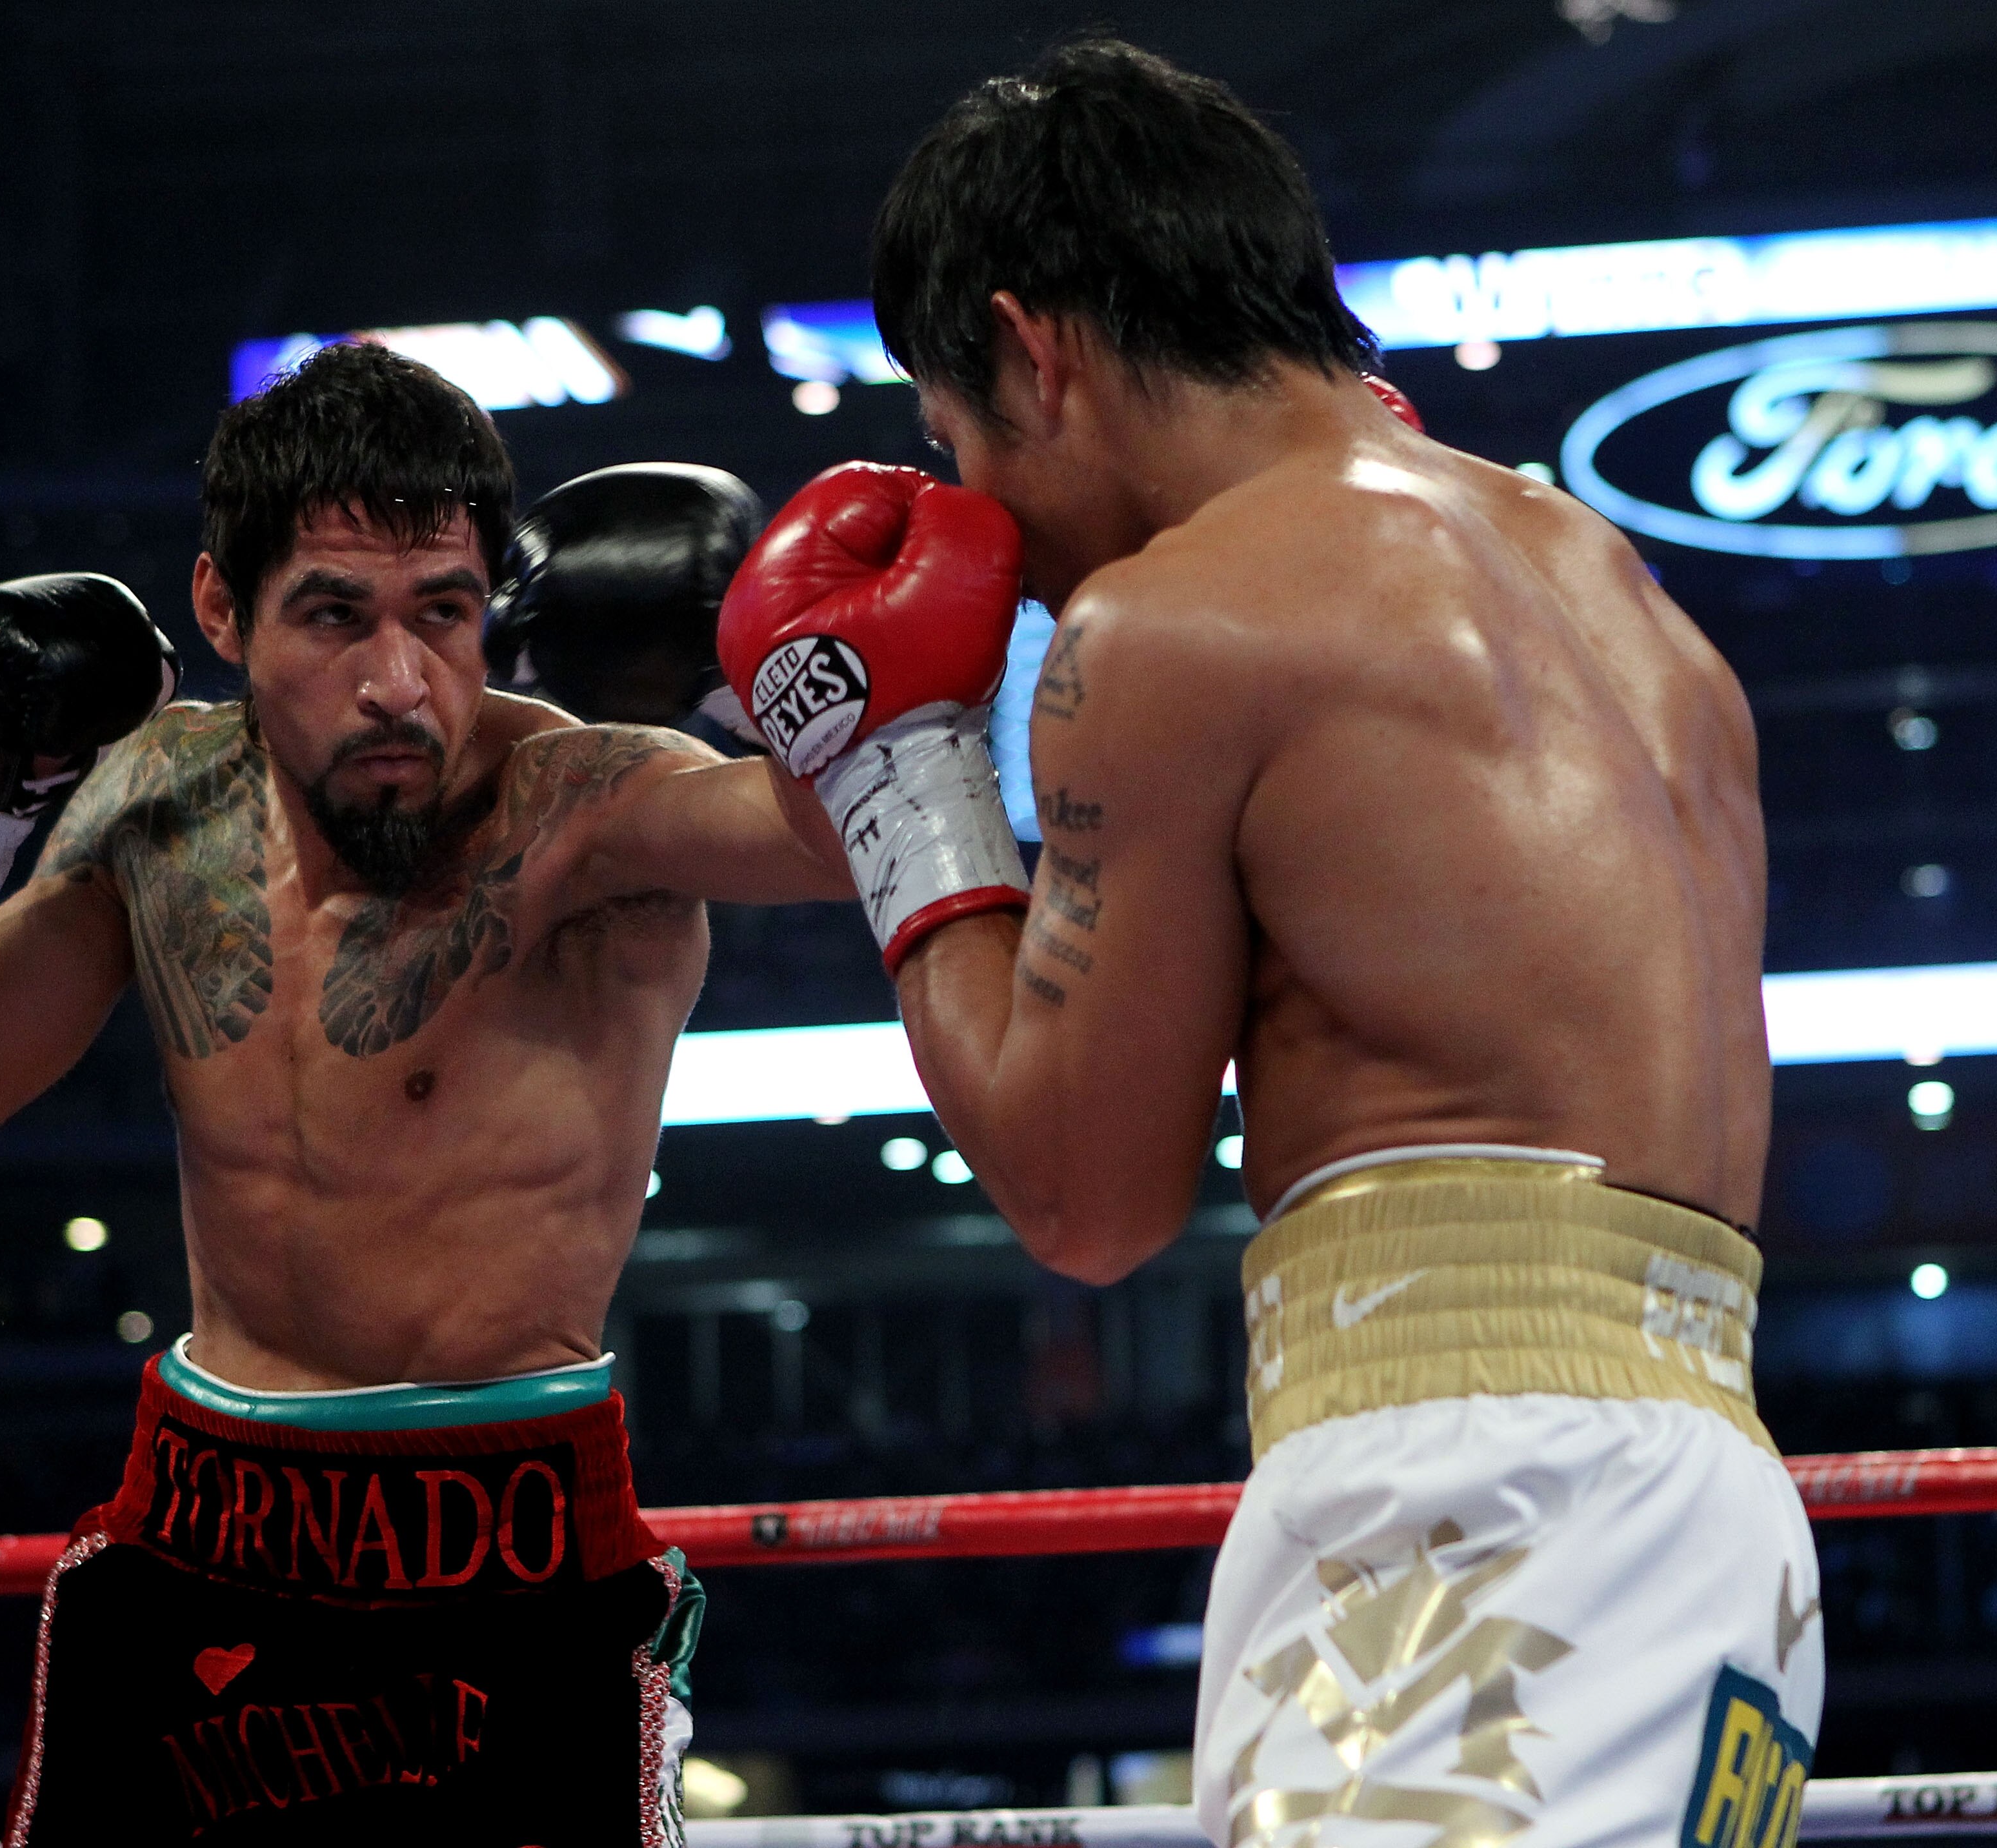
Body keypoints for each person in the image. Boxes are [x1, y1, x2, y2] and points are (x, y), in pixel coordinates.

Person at [718, 39, 1820, 1848]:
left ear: (1038, 349)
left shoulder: (1175, 627)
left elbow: (1087, 1195)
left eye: (958, 434)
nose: (982, 509)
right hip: (1712, 1509)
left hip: (1476, 1499)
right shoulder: (1616, 587)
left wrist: (900, 771)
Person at [0, 339, 854, 1846]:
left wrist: (760, 671)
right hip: (201, 1534)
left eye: (445, 614)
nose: (400, 683)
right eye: (335, 617)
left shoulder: (584, 811)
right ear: (222, 610)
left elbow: (849, 844)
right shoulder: (151, 808)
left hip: (511, 1562)